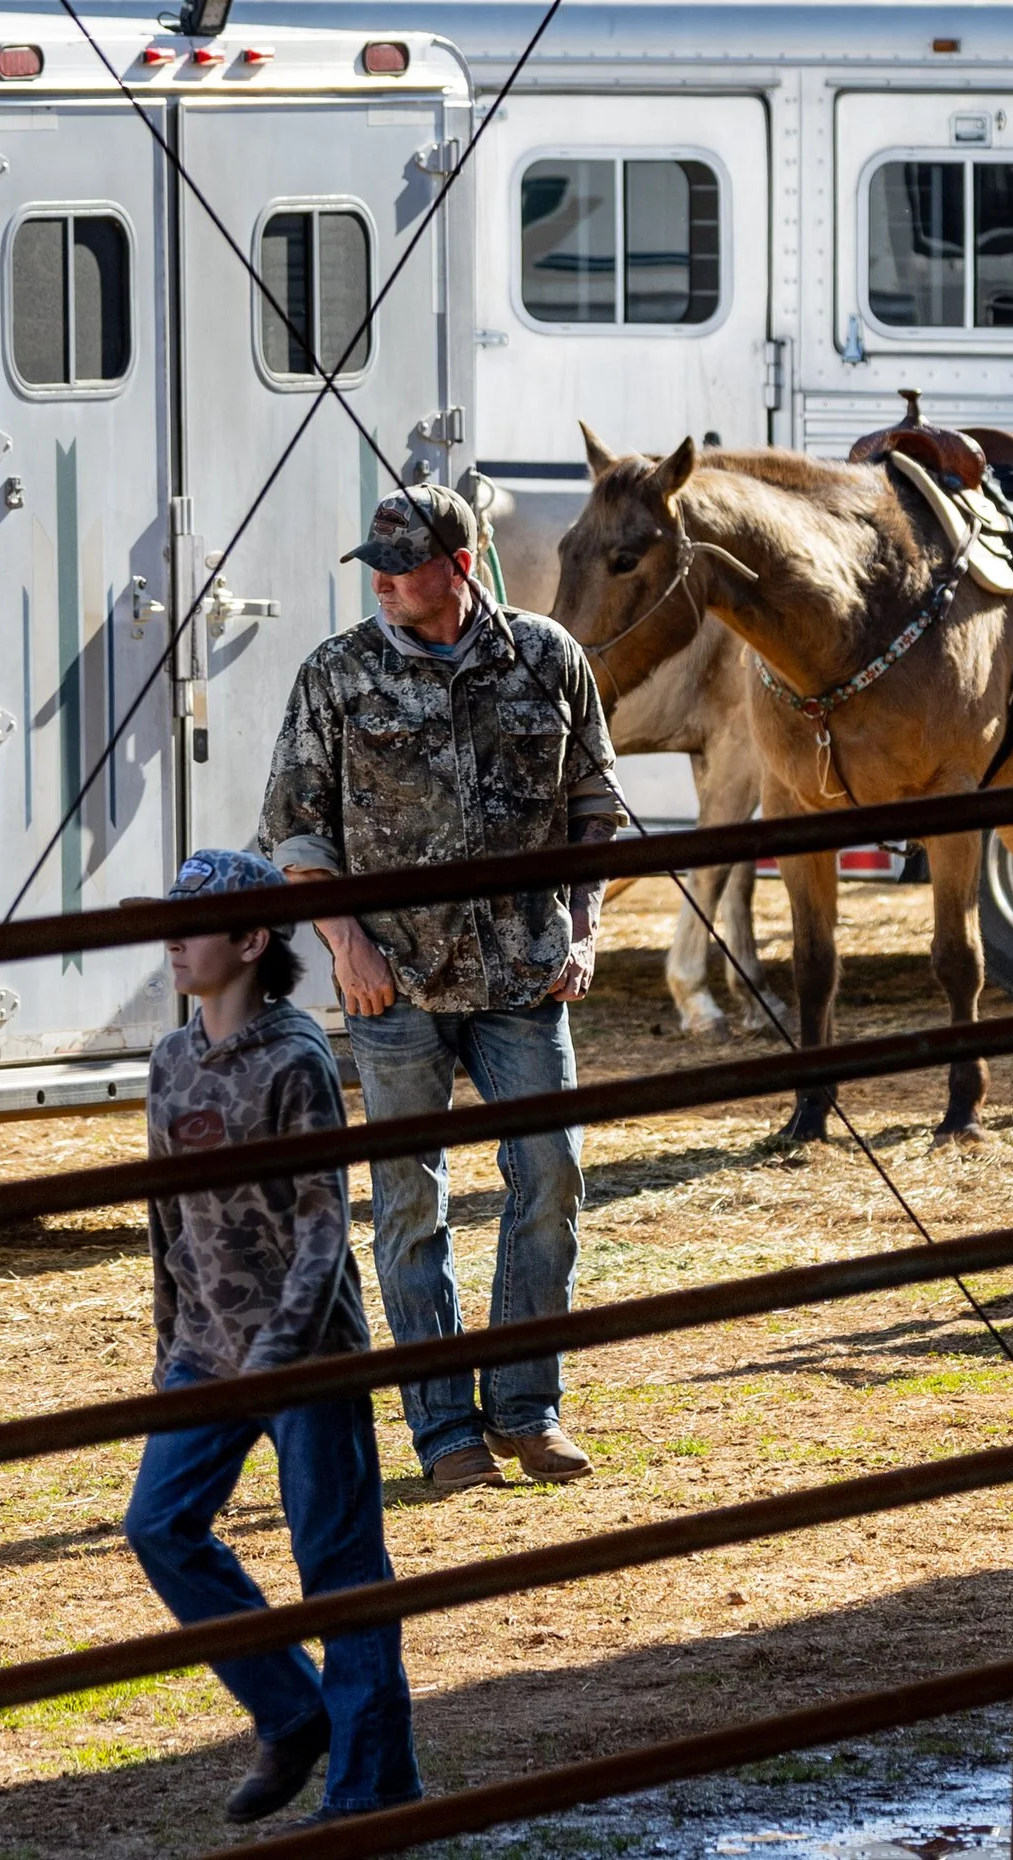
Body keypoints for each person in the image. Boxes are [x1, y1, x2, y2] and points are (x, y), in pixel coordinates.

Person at [261, 481, 621, 1492]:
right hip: (395, 984)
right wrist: (345, 946)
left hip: (523, 969)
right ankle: (442, 1431)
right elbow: (295, 829)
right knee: (410, 1204)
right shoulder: (335, 674)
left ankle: (525, 1408)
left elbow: (595, 803)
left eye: (403, 564)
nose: (382, 581)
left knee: (550, 1180)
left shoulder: (547, 658)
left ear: (458, 566)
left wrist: (585, 927)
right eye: (373, 564)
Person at [121, 849, 421, 1829]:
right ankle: (293, 1712)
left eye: (193, 923)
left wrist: (282, 1347)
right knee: (159, 1526)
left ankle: (371, 1792)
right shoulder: (168, 1062)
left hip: (305, 1356)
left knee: (336, 1564)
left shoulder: (297, 1060)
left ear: (251, 942)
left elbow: (325, 1223)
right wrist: (174, 1342)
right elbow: (169, 1219)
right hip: (203, 1352)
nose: (172, 939)